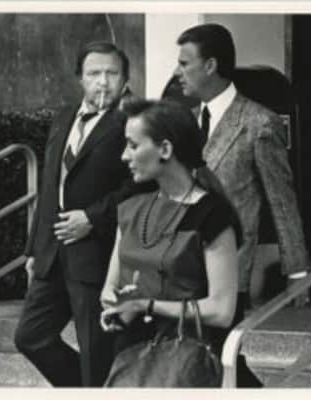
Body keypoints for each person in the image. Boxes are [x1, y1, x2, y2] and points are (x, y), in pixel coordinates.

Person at [100, 98, 262, 387]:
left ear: (165, 149)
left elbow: (222, 311)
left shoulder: (211, 215)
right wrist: (117, 308)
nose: (124, 156)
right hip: (132, 359)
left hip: (189, 363)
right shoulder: (130, 209)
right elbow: (111, 290)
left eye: (133, 145)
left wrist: (145, 305)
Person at [14, 42, 146, 387]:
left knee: (96, 353)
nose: (103, 82)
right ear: (80, 78)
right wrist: (34, 248)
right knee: (31, 337)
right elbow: (50, 185)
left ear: (125, 78)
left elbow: (142, 187)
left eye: (111, 73)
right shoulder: (64, 116)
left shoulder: (136, 121)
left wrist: (92, 218)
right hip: (52, 254)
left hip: (98, 254)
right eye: (94, 73)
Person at [173, 24, 311, 308]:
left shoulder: (258, 123)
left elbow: (282, 201)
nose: (177, 72)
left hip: (228, 273)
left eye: (185, 63)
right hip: (179, 268)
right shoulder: (184, 120)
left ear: (210, 65)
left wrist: (297, 271)